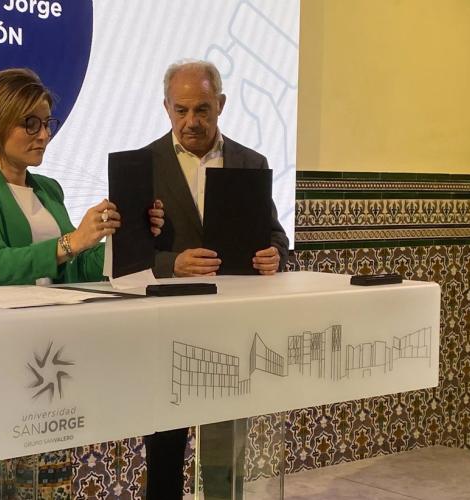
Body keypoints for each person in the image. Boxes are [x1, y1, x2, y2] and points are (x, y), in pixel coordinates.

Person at [0, 67, 163, 498]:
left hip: (40, 366)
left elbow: (72, 271)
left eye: (47, 123)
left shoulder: (49, 190)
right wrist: (72, 241)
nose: (43, 134)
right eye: (30, 123)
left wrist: (124, 237)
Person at [143, 60, 289, 499]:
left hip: (231, 330)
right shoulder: (143, 164)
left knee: (224, 458)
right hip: (166, 329)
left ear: (220, 105)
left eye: (202, 109)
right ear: (166, 107)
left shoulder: (251, 162)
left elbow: (277, 236)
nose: (191, 121)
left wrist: (275, 255)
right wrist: (172, 263)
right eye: (181, 110)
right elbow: (125, 256)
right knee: (164, 452)